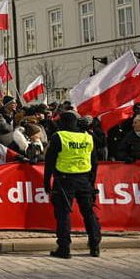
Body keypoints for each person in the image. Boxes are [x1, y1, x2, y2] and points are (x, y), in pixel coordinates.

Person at [43, 111, 101, 259]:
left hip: (64, 180)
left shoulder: (59, 137)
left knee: (63, 213)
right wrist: (92, 182)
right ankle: (95, 245)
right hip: (84, 179)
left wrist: (46, 182)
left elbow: (49, 162)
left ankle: (64, 248)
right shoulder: (88, 137)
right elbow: (94, 162)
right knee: (88, 212)